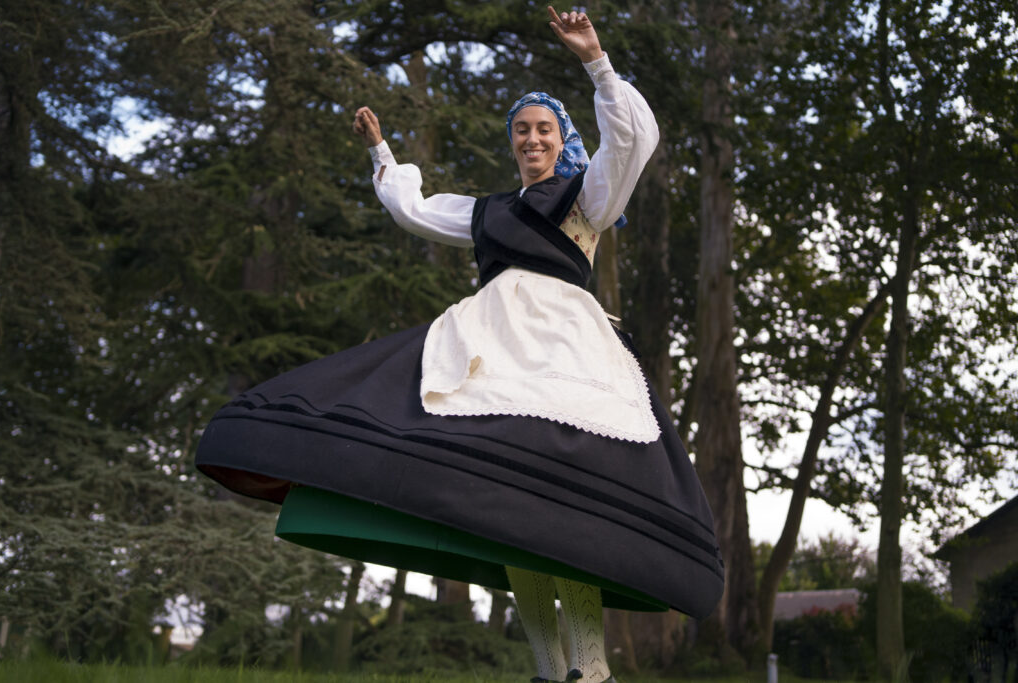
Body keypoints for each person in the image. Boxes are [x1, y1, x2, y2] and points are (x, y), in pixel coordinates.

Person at [196, 7, 722, 682]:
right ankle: (545, 667)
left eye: (544, 129)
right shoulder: (487, 211)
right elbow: (415, 209)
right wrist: (381, 152)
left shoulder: (585, 198)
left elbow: (629, 142)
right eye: (522, 131)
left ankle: (590, 672)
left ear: (562, 141)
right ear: (512, 143)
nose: (532, 138)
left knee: (567, 513)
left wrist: (595, 59)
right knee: (512, 516)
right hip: (491, 355)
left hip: (565, 357)